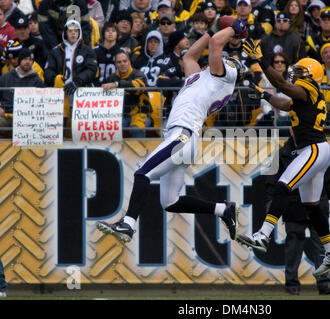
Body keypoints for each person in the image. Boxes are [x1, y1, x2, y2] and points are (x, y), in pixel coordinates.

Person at [96, 18, 248, 243]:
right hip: (184, 137)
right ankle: (222, 209)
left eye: (228, 61)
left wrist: (233, 28)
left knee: (142, 173)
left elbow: (216, 43)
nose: (222, 59)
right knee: (170, 202)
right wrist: (214, 27)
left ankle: (128, 224)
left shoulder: (221, 79)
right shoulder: (203, 78)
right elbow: (189, 56)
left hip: (182, 135)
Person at [236, 38, 330, 277]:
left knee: (283, 186)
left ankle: (263, 235)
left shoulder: (308, 89)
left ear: (310, 75)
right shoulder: (305, 95)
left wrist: (260, 60)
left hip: (313, 148)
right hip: (318, 149)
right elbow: (284, 102)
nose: (294, 74)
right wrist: (263, 95)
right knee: (312, 205)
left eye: (299, 71)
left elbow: (283, 85)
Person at [263, 128, 330, 295]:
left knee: (319, 245)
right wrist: (271, 203)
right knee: (293, 245)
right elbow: (271, 181)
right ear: (291, 131)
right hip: (293, 205)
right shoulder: (283, 153)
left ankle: (324, 283)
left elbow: (329, 180)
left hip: (316, 204)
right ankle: (292, 283)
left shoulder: (316, 150)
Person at [102, 50, 152, 138]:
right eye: (119, 62)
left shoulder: (139, 74)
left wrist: (117, 84)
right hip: (120, 116)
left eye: (125, 61)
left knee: (136, 129)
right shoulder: (111, 78)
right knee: (107, 128)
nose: (122, 64)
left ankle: (141, 151)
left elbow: (138, 87)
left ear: (129, 62)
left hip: (141, 113)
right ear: (115, 64)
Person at [0, 46, 44, 136]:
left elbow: (42, 104)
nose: (28, 62)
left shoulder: (37, 81)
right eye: (24, 59)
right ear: (19, 60)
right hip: (6, 116)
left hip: (28, 119)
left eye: (30, 59)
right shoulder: (5, 77)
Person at [94, 22, 121, 86]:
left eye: (113, 31)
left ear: (117, 34)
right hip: (96, 87)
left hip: (115, 87)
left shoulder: (121, 52)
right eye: (107, 31)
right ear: (103, 34)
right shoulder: (95, 51)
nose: (110, 33)